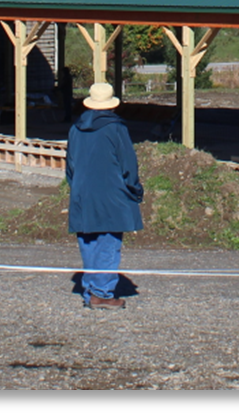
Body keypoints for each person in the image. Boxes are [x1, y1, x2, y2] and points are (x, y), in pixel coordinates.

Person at [65, 82, 144, 309]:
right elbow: (128, 163)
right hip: (111, 191)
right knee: (109, 242)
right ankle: (103, 292)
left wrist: (77, 186)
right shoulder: (116, 128)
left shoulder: (75, 129)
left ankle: (92, 288)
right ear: (111, 105)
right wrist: (134, 188)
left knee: (88, 241)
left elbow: (70, 166)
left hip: (82, 192)